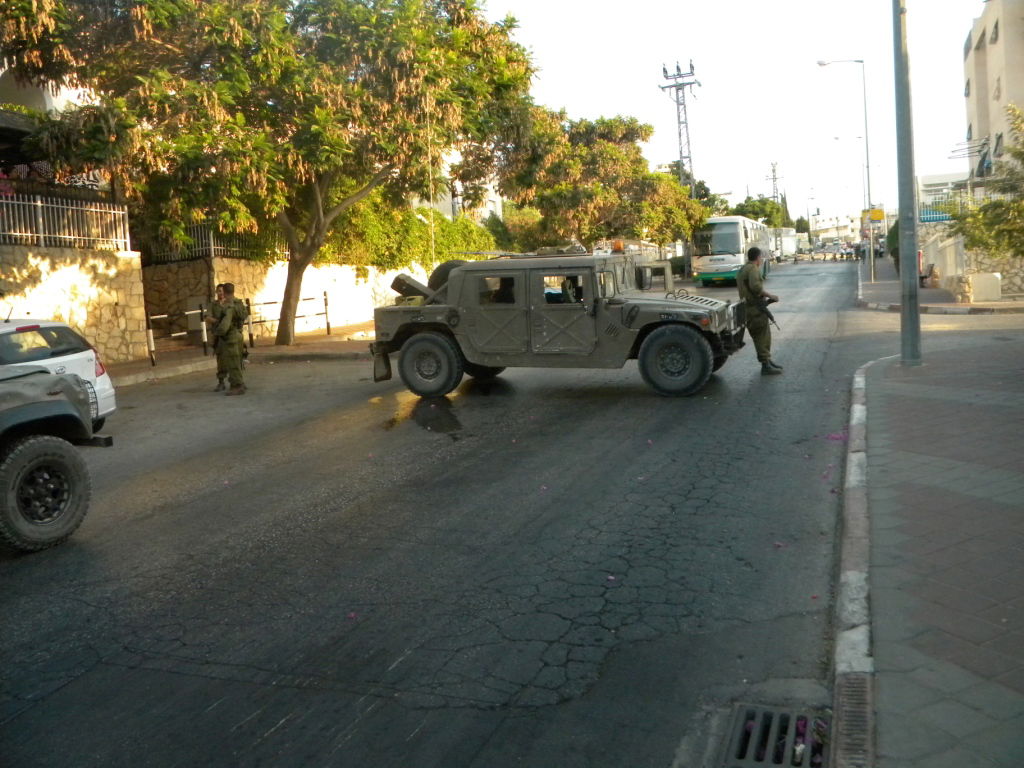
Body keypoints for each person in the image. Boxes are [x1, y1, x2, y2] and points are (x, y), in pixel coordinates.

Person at [737, 247, 783, 376]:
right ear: (758, 258)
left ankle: (767, 360)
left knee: (762, 336)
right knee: (761, 337)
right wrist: (771, 296)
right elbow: (756, 287)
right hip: (755, 309)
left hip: (748, 307)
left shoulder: (743, 269)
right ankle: (765, 365)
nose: (762, 259)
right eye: (761, 257)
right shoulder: (753, 269)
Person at [206, 282, 247, 395]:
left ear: (224, 291)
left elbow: (225, 325)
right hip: (238, 334)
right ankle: (239, 383)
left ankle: (236, 385)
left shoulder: (229, 306)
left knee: (233, 362)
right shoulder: (238, 303)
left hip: (230, 337)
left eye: (221, 291)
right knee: (237, 361)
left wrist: (218, 333)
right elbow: (245, 315)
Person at [206, 284, 228, 391]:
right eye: (219, 291)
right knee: (221, 360)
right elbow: (208, 317)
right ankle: (221, 381)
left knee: (235, 358)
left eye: (223, 291)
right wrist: (218, 321)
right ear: (216, 292)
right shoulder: (213, 305)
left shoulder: (230, 303)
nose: (221, 293)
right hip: (219, 336)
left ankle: (237, 381)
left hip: (230, 334)